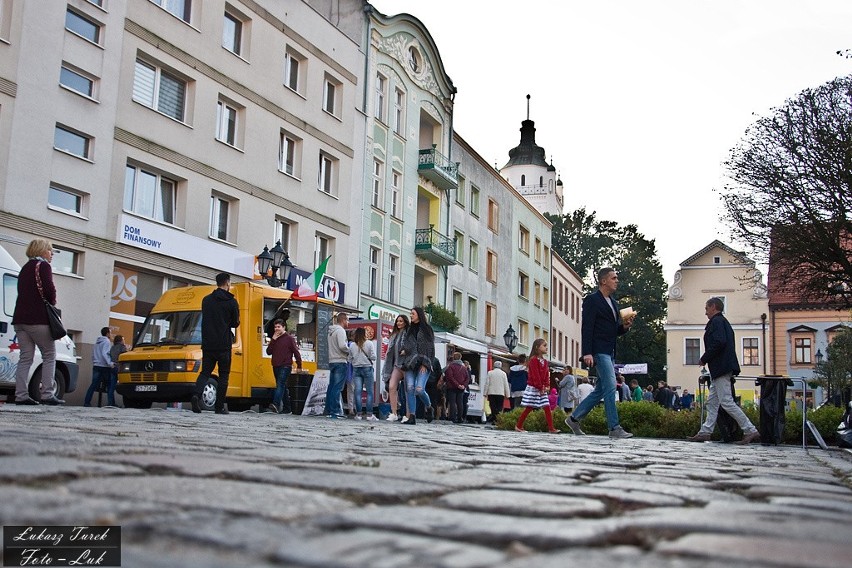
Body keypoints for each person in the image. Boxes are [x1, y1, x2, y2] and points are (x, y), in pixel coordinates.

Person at [565, 267, 634, 439]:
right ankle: (614, 427)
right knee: (611, 387)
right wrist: (587, 352)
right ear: (603, 281)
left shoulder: (614, 302)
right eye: (614, 278)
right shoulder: (592, 300)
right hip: (599, 352)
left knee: (600, 391)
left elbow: (612, 330)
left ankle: (573, 419)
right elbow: (587, 327)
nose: (617, 280)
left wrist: (624, 327)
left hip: (610, 351)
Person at [687, 297, 761, 444]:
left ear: (713, 307)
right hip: (721, 368)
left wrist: (705, 358)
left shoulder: (717, 322)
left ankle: (750, 430)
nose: (705, 312)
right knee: (712, 402)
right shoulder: (722, 322)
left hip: (720, 368)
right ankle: (705, 431)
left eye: (707, 309)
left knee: (726, 402)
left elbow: (719, 342)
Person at [11, 239, 64, 405]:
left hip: (20, 320)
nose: (52, 254)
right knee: (49, 355)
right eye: (50, 250)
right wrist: (53, 301)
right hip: (38, 319)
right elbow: (49, 289)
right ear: (42, 251)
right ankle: (47, 394)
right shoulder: (43, 266)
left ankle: (21, 395)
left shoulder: (25, 268)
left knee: (25, 358)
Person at [191, 272, 240, 415]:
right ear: (227, 283)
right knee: (224, 375)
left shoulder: (206, 300)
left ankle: (196, 395)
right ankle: (219, 407)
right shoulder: (231, 302)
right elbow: (235, 323)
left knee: (205, 372)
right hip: (223, 344)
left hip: (208, 344)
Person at [398, 307, 435, 425]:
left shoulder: (427, 329)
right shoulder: (409, 329)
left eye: (412, 313)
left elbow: (430, 348)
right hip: (410, 363)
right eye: (410, 313)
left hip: (423, 362)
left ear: (419, 314)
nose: (411, 315)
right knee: (409, 388)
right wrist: (404, 350)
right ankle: (412, 416)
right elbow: (407, 345)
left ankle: (429, 407)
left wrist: (426, 363)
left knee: (419, 389)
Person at [515, 339, 558, 433]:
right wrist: (540, 387)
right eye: (544, 345)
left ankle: (551, 428)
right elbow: (535, 375)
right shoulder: (533, 360)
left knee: (547, 406)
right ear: (537, 347)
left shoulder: (545, 361)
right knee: (529, 407)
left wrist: (546, 385)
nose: (546, 347)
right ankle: (518, 426)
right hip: (534, 387)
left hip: (541, 388)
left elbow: (547, 375)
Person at [266, 317, 301, 414]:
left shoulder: (289, 339)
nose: (277, 329)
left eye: (279, 327)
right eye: (275, 327)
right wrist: (273, 340)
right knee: (283, 387)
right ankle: (287, 408)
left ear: (284, 327)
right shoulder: (275, 339)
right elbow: (268, 352)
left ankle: (275, 404)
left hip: (285, 365)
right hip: (275, 365)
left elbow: (296, 351)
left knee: (280, 384)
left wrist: (299, 364)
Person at [382, 314, 408, 421]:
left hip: (406, 365)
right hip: (397, 365)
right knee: (392, 387)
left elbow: (412, 347)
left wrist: (406, 350)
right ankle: (394, 413)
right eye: (397, 321)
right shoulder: (394, 335)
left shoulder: (408, 334)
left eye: (401, 321)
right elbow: (390, 353)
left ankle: (408, 415)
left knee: (408, 390)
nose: (399, 323)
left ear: (405, 322)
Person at [324, 312, 349, 419]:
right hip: (340, 361)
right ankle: (335, 411)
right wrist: (350, 350)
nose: (348, 322)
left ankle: (328, 410)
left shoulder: (331, 331)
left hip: (332, 360)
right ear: (343, 320)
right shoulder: (341, 331)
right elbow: (342, 346)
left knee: (331, 386)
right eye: (347, 320)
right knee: (337, 387)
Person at [349, 327, 377, 420]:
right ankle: (369, 415)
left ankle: (359, 414)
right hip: (367, 368)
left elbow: (349, 358)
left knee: (357, 392)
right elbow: (373, 357)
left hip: (356, 369)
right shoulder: (369, 343)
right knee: (369, 392)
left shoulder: (352, 345)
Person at [84, 327, 112, 407]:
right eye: (110, 333)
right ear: (107, 333)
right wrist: (110, 363)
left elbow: (93, 354)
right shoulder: (106, 341)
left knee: (93, 385)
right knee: (109, 384)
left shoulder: (97, 342)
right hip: (104, 366)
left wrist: (94, 361)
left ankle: (87, 402)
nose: (111, 334)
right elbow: (105, 354)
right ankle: (110, 402)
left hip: (96, 365)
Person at [443, 351, 469, 423]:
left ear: (453, 358)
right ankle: (460, 418)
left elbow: (450, 377)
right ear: (460, 358)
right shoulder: (464, 368)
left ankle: (453, 417)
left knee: (452, 402)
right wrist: (463, 385)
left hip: (452, 387)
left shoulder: (450, 366)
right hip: (461, 388)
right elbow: (467, 378)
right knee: (460, 403)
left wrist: (457, 385)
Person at [108, 334, 127, 407]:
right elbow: (124, 356)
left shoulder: (112, 347)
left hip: (112, 367)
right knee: (123, 384)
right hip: (119, 367)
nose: (124, 341)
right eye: (123, 339)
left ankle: (110, 403)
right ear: (121, 340)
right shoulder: (122, 347)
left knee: (111, 386)